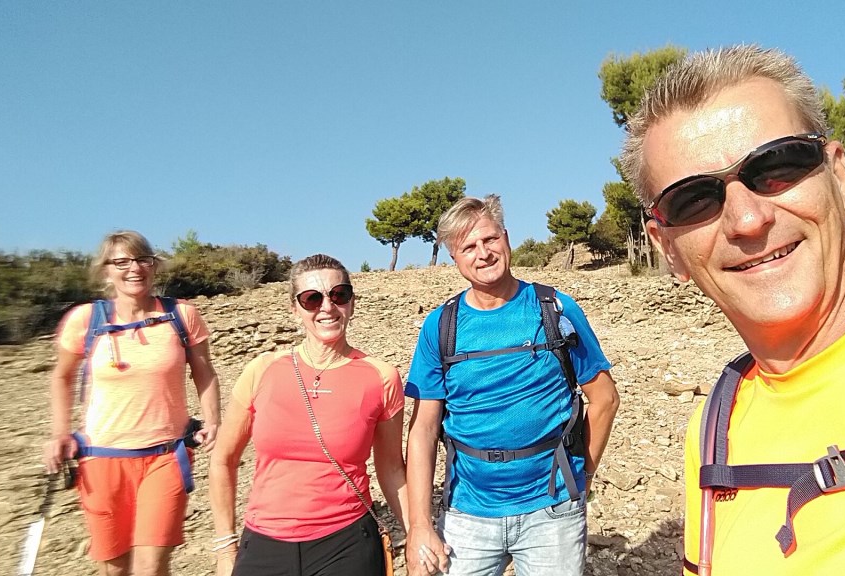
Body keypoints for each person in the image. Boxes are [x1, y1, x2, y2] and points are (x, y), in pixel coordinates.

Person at [620, 44, 845, 574]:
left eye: (776, 167)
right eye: (694, 200)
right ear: (669, 250)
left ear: (841, 178)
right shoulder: (714, 426)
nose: (748, 220)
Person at [404, 195, 620, 576]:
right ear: (454, 257)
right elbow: (422, 429)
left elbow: (605, 399)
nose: (483, 253)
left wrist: (582, 478)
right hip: (467, 513)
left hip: (552, 511)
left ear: (506, 237)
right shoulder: (440, 326)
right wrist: (419, 524)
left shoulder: (555, 309)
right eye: (469, 247)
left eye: (490, 239)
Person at [209, 254, 407, 576]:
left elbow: (392, 469)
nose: (327, 307)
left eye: (339, 295)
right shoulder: (262, 370)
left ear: (352, 302)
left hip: (347, 542)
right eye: (312, 299)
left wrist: (417, 533)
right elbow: (222, 460)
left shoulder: (381, 376)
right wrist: (225, 548)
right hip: (264, 543)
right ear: (295, 308)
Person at [43, 230, 222, 576]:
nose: (134, 269)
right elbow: (61, 377)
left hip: (166, 456)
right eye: (122, 262)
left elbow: (204, 372)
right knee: (116, 567)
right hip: (102, 458)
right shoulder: (85, 320)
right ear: (106, 270)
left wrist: (213, 421)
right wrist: (59, 433)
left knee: (151, 567)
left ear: (154, 266)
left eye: (142, 260)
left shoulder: (182, 315)